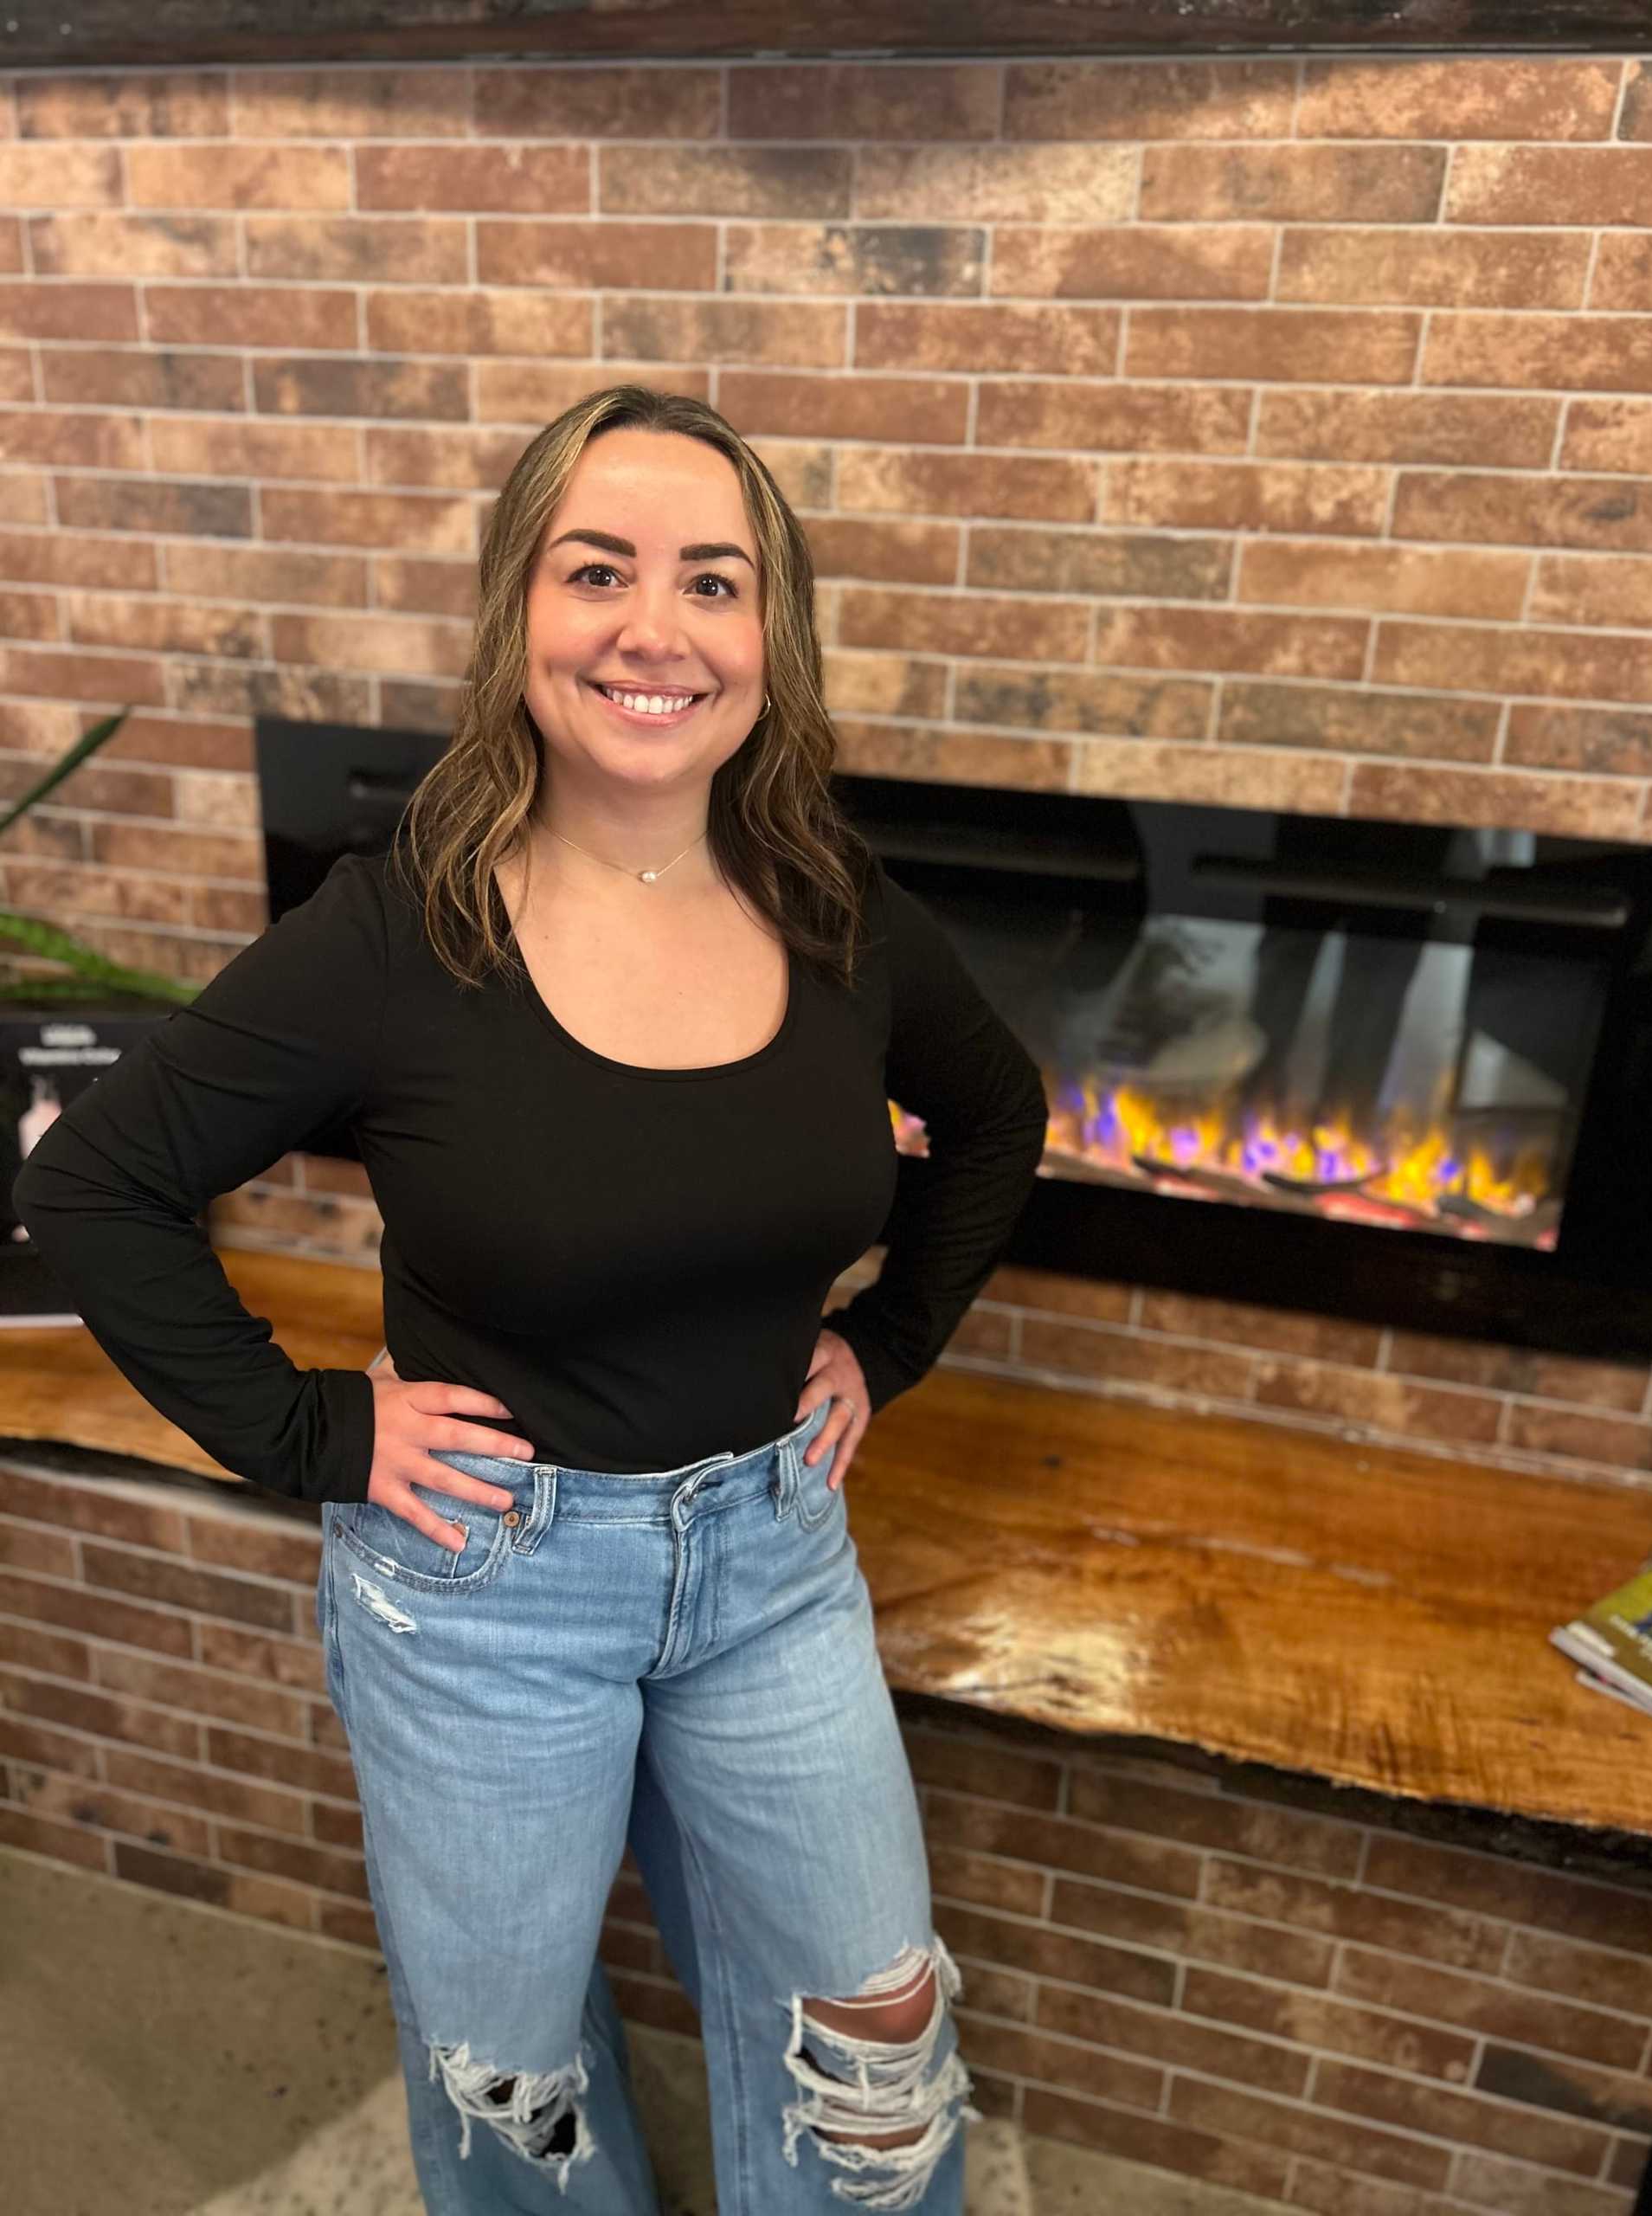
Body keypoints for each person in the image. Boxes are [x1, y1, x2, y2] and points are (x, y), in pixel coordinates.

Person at [11, 384, 1051, 2214]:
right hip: (487, 1584)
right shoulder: (402, 924)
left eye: (713, 581)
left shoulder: (835, 902)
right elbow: (92, 1182)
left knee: (879, 2028)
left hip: (770, 1553)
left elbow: (996, 1116)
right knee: (516, 2072)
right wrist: (316, 1426)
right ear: (521, 610)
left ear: (767, 636)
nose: (657, 626)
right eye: (600, 569)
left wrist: (885, 1341)